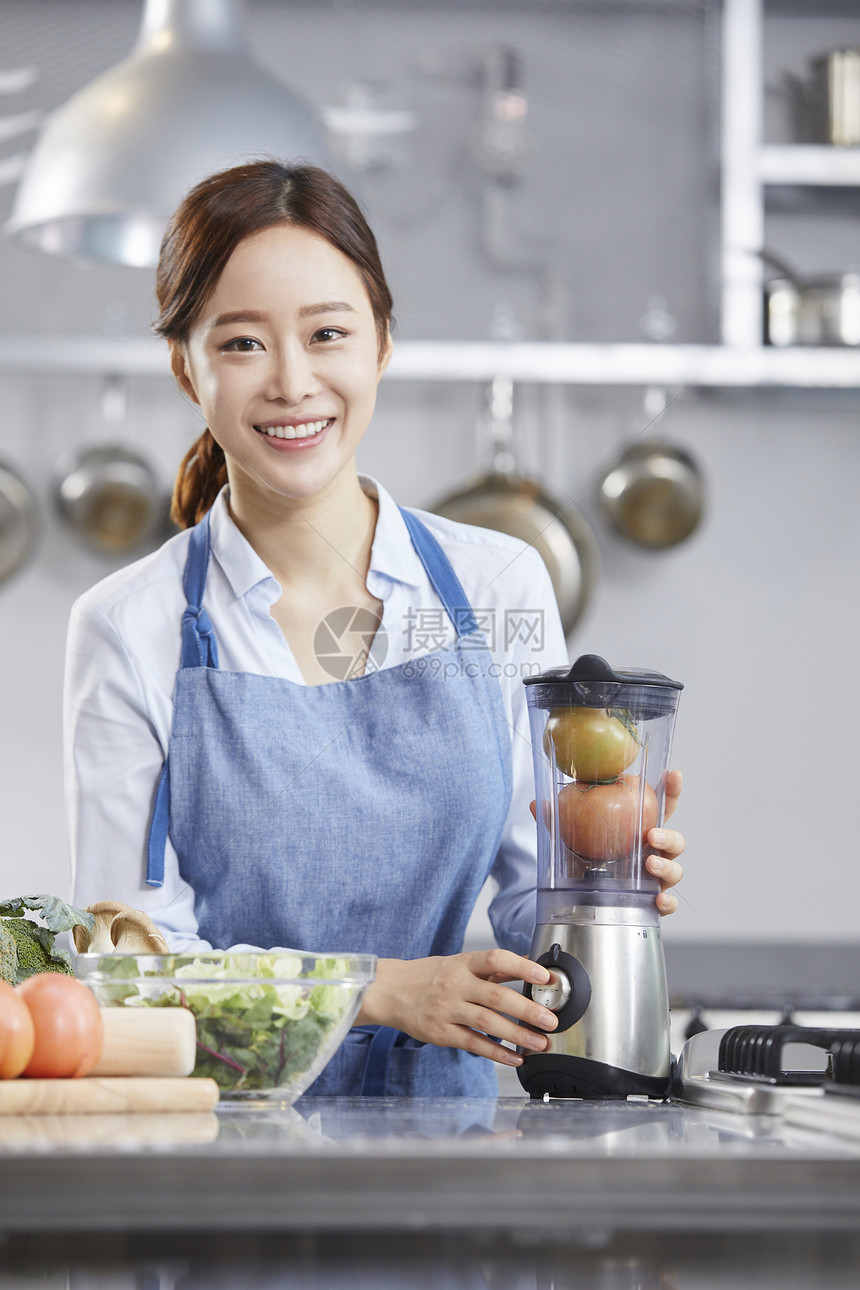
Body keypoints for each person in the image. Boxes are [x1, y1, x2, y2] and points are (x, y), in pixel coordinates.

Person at [65, 160, 684, 1098]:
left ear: (382, 344)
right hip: (222, 1138)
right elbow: (131, 968)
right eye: (241, 344)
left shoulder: (496, 585)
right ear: (185, 367)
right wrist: (375, 989)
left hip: (452, 1146)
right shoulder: (128, 628)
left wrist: (603, 880)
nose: (292, 382)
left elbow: (531, 911)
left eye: (327, 334)